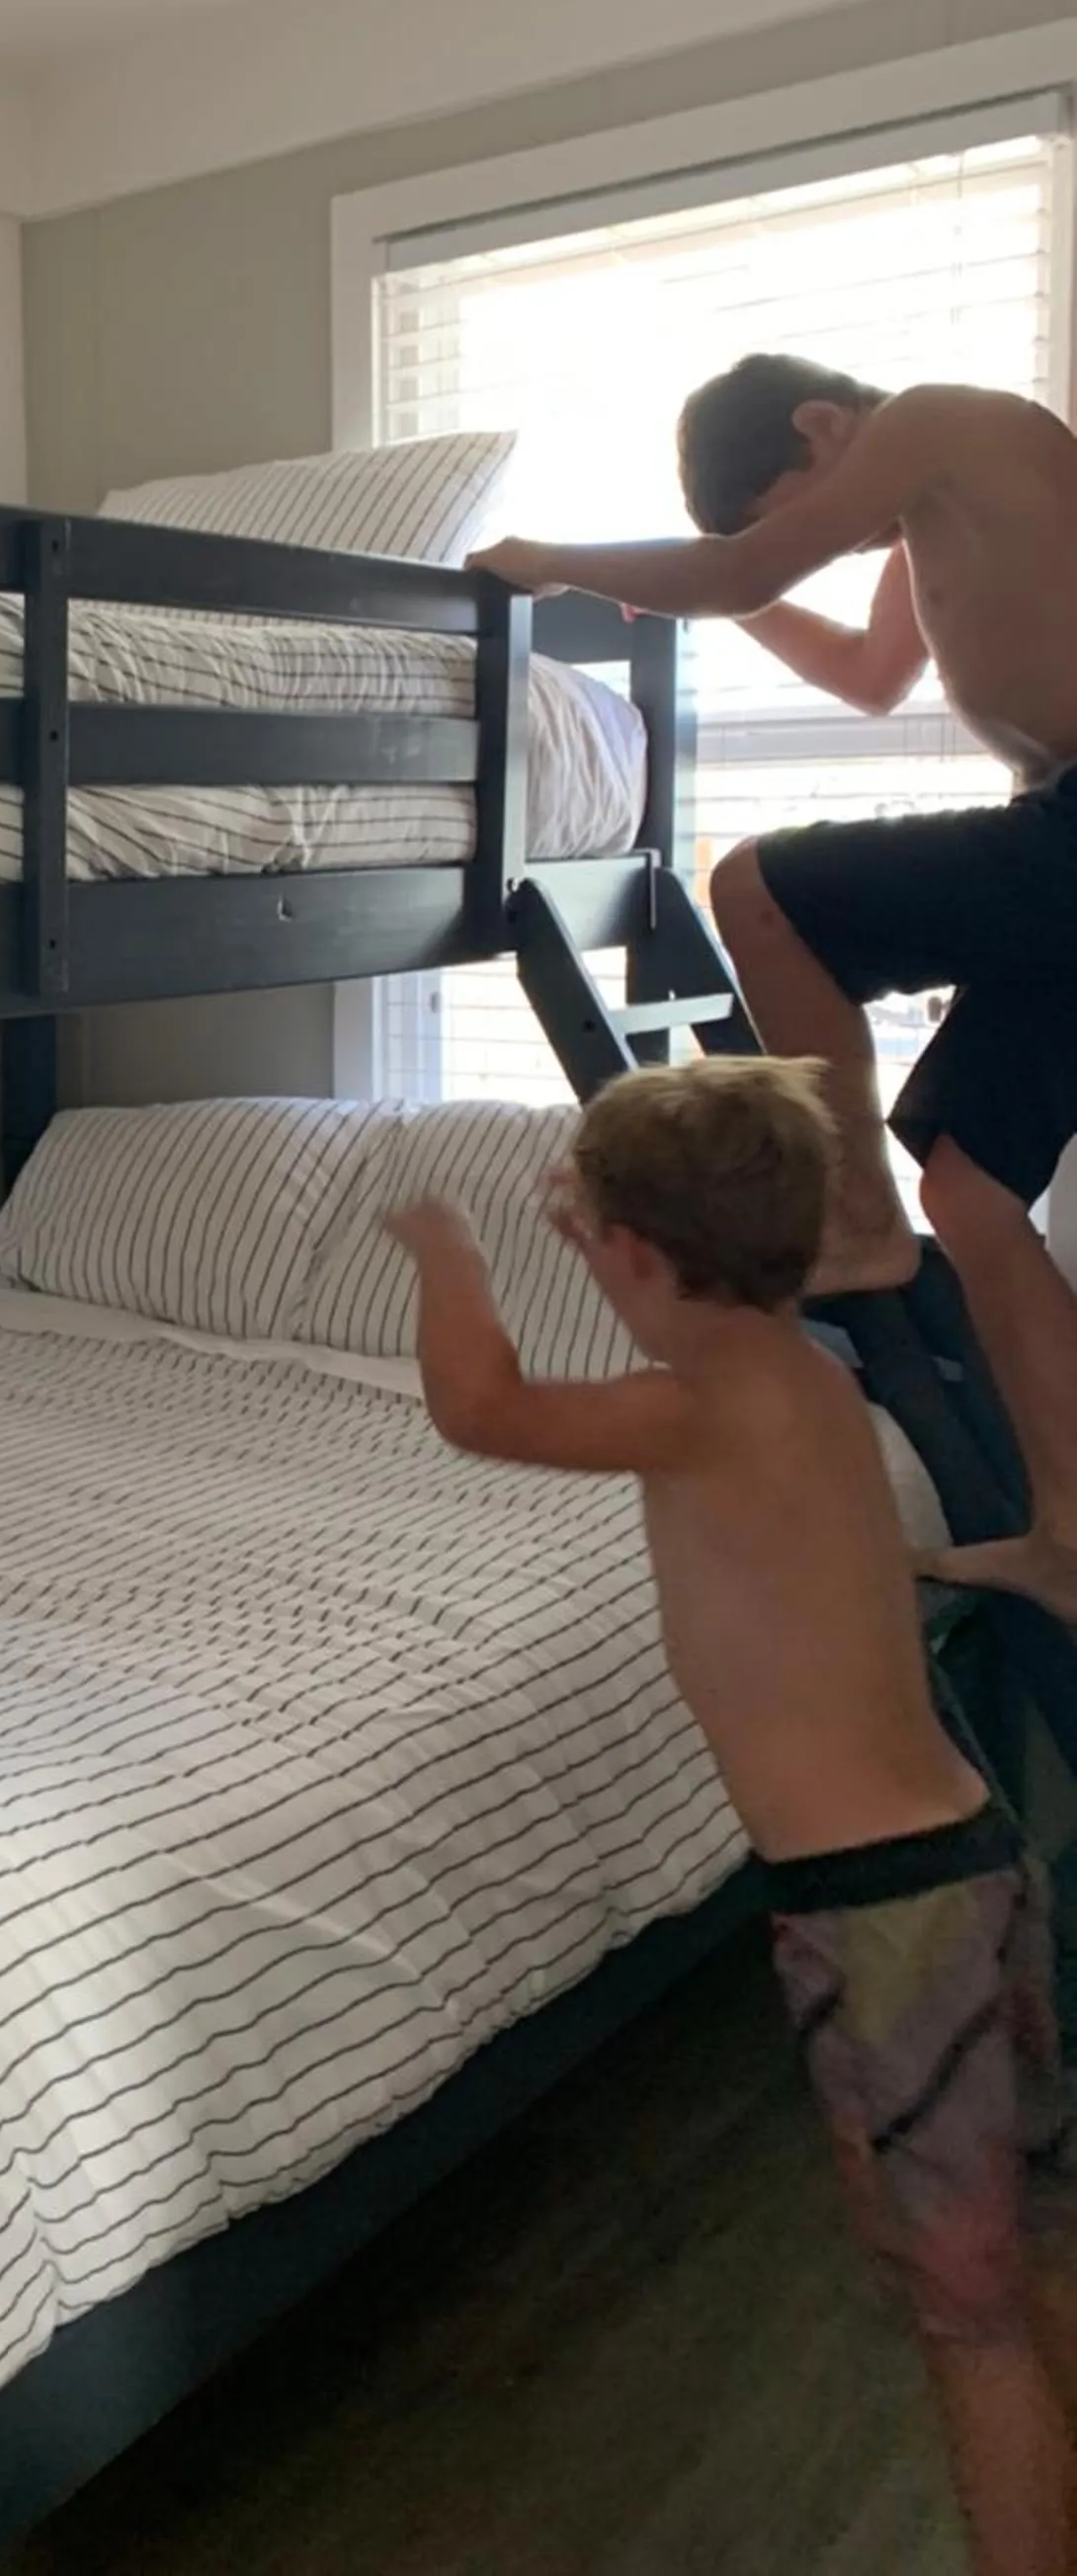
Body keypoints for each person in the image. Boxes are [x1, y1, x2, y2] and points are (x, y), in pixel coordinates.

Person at [383, 1057, 1072, 2576]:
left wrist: (444, 1251)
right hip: (962, 1860)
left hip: (881, 1916)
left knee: (960, 2323)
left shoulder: (689, 1411)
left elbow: (478, 1404)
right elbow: (686, 1266)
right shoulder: (798, 1369)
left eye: (603, 1241)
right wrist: (613, 1230)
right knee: (1009, 2241)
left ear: (636, 1256)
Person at [468, 356, 1077, 1619]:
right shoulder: (918, 502)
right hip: (1057, 844)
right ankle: (1070, 1537)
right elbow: (869, 675)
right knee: (968, 1190)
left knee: (756, 885)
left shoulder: (934, 423)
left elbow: (745, 570)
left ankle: (851, 1216)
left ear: (821, 424)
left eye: (792, 510)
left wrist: (555, 557)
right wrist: (721, 590)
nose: (824, 546)